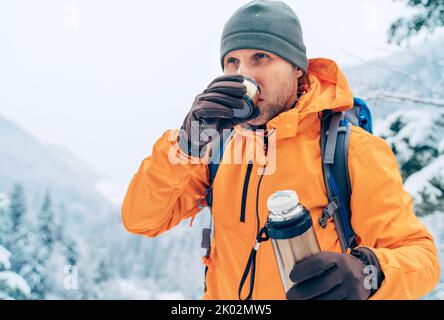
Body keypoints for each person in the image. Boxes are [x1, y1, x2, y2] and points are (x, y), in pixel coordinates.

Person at [121, 0, 440, 300]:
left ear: (297, 67)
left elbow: (422, 257)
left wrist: (368, 273)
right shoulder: (217, 147)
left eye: (261, 56)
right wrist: (186, 146)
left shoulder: (353, 151)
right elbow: (141, 219)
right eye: (233, 61)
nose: (243, 73)